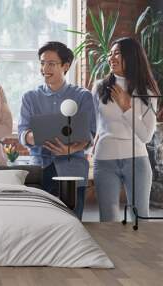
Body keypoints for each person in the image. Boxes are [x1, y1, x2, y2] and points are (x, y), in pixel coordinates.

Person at [18, 41, 96, 219]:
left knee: (72, 222)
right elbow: (23, 134)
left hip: (72, 168)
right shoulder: (30, 97)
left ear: (65, 66)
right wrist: (36, 136)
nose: (45, 68)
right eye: (42, 63)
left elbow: (89, 134)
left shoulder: (82, 96)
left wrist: (70, 149)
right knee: (40, 223)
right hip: (40, 168)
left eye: (51, 63)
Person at [92, 37, 160, 222]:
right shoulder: (99, 87)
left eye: (117, 53)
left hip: (137, 160)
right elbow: (96, 124)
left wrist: (126, 107)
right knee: (108, 219)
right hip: (104, 160)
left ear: (131, 57)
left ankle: (141, 253)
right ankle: (110, 253)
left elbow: (146, 136)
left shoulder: (147, 91)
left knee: (140, 219)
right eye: (110, 54)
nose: (111, 58)